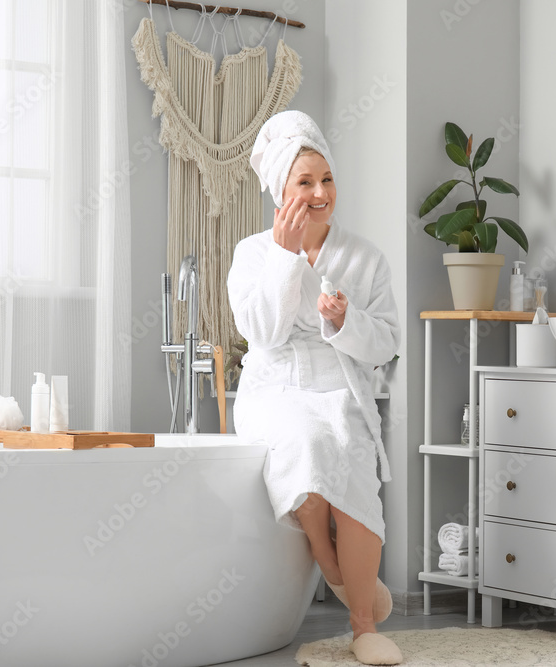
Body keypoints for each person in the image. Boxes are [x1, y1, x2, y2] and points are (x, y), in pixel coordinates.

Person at [227, 110, 402, 665]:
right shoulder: (253, 253)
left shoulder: (364, 256)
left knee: (350, 453)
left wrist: (345, 321)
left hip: (340, 385)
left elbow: (388, 343)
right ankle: (335, 571)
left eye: (327, 179)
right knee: (304, 441)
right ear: (282, 189)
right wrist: (284, 258)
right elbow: (260, 333)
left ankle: (362, 625)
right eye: (306, 182)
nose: (321, 192)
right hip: (274, 388)